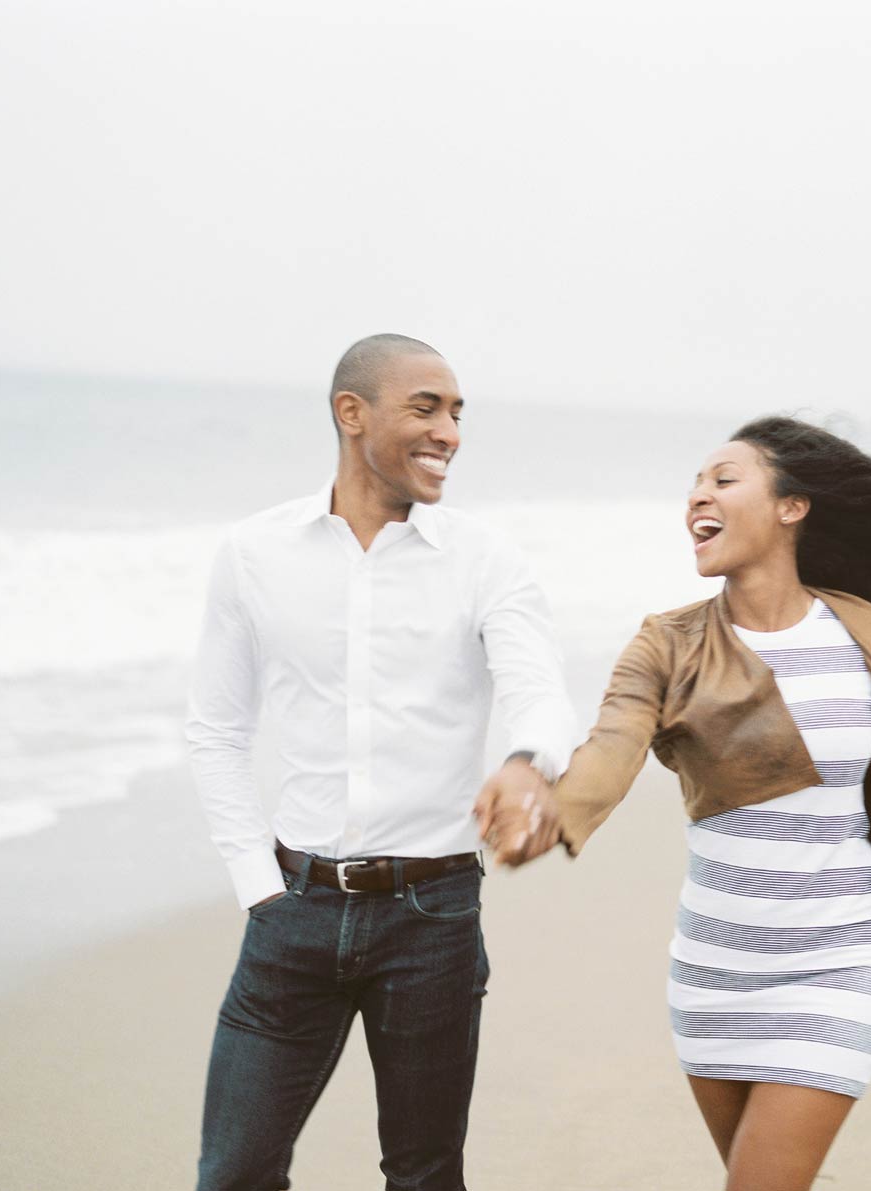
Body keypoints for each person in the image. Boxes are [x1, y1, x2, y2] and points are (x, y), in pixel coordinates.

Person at [478, 416, 871, 1190]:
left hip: (838, 965)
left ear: (793, 506)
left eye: (724, 479)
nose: (698, 496)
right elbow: (612, 746)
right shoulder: (666, 644)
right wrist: (553, 805)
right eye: (693, 484)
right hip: (714, 972)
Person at [186, 333, 573, 1191]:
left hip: (430, 917)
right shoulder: (255, 554)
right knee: (234, 1173)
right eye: (427, 407)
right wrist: (258, 881)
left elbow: (539, 689)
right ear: (350, 413)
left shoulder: (484, 558)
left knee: (424, 1176)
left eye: (459, 412)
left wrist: (524, 760)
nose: (450, 432)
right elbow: (216, 729)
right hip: (291, 914)